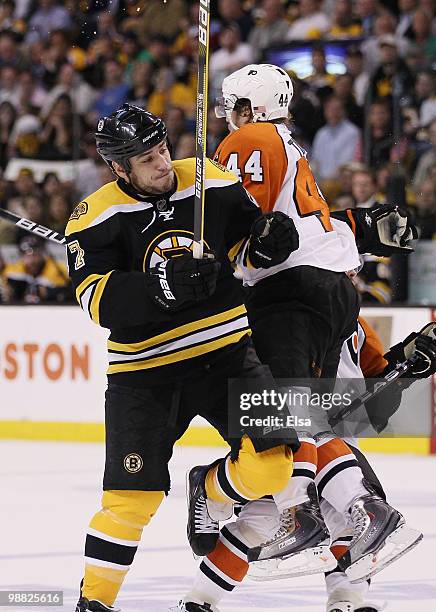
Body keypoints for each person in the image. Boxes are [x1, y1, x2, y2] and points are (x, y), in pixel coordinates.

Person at [173, 65, 420, 612]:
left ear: (252, 107)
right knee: (294, 438)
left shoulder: (252, 138)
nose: (228, 118)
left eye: (234, 106)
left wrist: (198, 259)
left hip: (287, 296)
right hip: (330, 293)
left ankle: (341, 517)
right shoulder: (290, 145)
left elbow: (243, 222)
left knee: (289, 440)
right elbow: (315, 228)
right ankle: (210, 596)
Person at [67, 103, 301, 612]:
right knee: (132, 501)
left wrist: (267, 243)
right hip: (144, 372)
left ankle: (209, 487)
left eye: (161, 150)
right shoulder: (94, 217)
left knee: (272, 468)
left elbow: (245, 250)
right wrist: (161, 289)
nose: (160, 163)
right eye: (145, 159)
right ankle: (96, 602)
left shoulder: (209, 180)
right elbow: (96, 302)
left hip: (229, 354)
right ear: (118, 168)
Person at [175, 314, 436, 612]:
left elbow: (374, 408)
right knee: (263, 520)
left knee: (349, 520)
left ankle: (346, 603)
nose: (352, 270)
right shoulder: (275, 309)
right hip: (288, 436)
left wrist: (404, 370)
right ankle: (198, 600)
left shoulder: (357, 327)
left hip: (335, 446)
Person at [2, 234, 71, 303]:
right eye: (27, 255)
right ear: (22, 256)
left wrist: (49, 292)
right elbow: (6, 288)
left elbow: (67, 291)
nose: (32, 260)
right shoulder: (13, 270)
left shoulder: (58, 270)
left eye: (35, 254)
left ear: (42, 254)